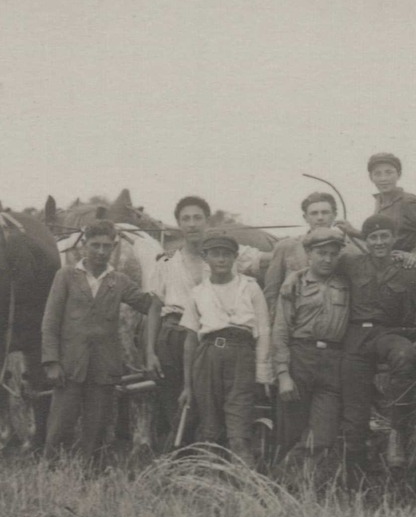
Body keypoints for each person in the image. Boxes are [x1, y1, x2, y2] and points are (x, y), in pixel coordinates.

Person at [147, 195, 262, 447]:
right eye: (185, 219)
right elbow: (155, 309)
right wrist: (150, 352)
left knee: (210, 403)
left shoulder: (223, 255)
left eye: (197, 218)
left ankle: (208, 454)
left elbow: (264, 259)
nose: (192, 224)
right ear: (178, 223)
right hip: (175, 335)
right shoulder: (167, 263)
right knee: (178, 400)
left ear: (207, 221)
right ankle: (174, 458)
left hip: (213, 338)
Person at [41, 221, 155, 464]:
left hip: (104, 367)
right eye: (95, 246)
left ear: (114, 247)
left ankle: (90, 474)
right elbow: (50, 322)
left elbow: (150, 304)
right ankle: (50, 472)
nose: (101, 252)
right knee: (60, 425)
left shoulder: (119, 280)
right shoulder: (66, 276)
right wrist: (51, 361)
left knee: (96, 428)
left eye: (106, 246)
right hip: (70, 365)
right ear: (83, 245)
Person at [339, 213, 416, 470]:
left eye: (384, 236)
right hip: (356, 337)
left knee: (404, 355)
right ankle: (354, 475)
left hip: (388, 334)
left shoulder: (408, 269)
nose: (379, 242)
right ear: (366, 240)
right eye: (373, 237)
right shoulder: (351, 263)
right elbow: (319, 258)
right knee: (354, 409)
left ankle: (396, 434)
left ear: (393, 239)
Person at [179, 233, 273, 465]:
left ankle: (247, 486)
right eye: (215, 254)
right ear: (206, 258)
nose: (221, 259)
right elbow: (191, 339)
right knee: (209, 428)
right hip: (207, 356)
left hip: (241, 356)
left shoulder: (250, 288)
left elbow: (264, 332)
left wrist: (262, 373)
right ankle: (208, 486)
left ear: (235, 258)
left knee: (238, 429)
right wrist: (187, 385)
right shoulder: (198, 292)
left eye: (226, 254)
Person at [272, 225, 351, 468]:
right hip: (300, 358)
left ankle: (296, 485)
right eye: (321, 253)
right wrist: (283, 374)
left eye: (333, 254)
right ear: (309, 254)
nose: (328, 259)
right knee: (291, 432)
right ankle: (283, 488)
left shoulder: (347, 283)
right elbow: (281, 330)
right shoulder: (294, 286)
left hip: (332, 361)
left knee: (323, 434)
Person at [264, 191, 359, 312]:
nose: (320, 218)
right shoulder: (287, 247)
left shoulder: (347, 249)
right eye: (314, 213)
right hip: (292, 317)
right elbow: (271, 291)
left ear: (334, 215)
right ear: (306, 217)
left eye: (325, 212)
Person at [365, 152, 416, 255]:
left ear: (399, 174)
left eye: (389, 172)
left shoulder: (407, 201)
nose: (383, 178)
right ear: (371, 177)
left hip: (407, 265)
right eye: (377, 174)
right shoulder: (379, 202)